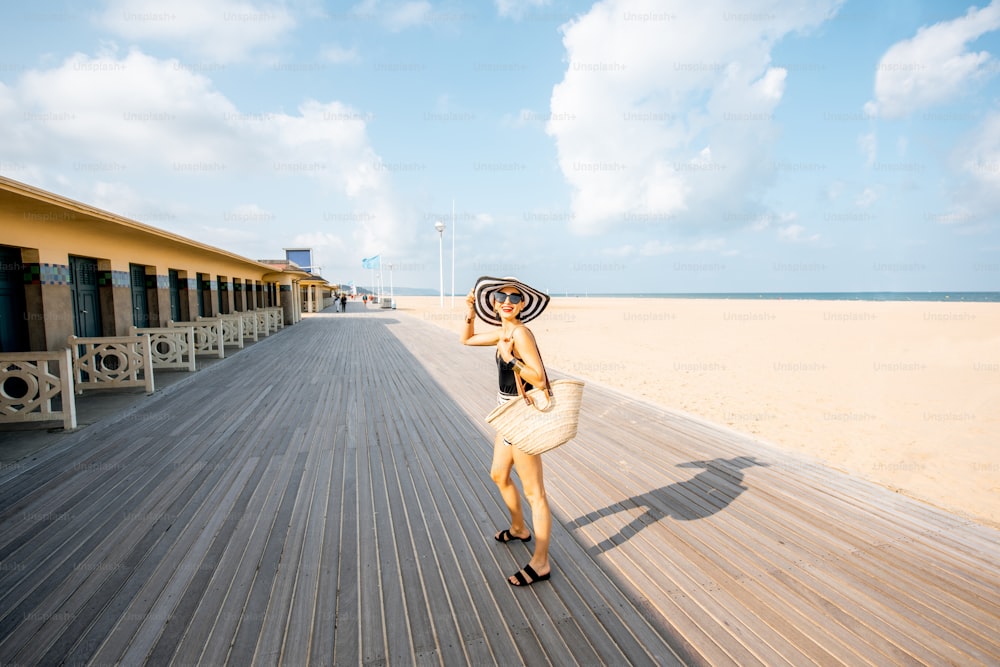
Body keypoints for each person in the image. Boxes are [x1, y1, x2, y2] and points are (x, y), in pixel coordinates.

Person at [461, 276, 553, 587]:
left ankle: (541, 562)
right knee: (499, 474)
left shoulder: (521, 334)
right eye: (501, 296)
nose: (507, 301)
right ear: (494, 301)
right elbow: (467, 340)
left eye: (514, 298)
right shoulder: (505, 331)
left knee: (534, 493)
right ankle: (519, 529)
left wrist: (511, 359)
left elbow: (538, 378)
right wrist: (470, 311)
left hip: (522, 417)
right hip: (507, 415)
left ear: (523, 304)